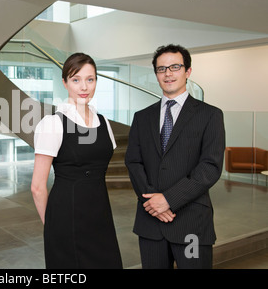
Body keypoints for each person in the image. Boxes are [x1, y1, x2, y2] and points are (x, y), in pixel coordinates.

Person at [125, 44, 225, 269]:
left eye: (175, 67)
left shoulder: (210, 115)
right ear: (156, 75)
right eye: (161, 69)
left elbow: (210, 167)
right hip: (151, 223)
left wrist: (168, 200)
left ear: (187, 71)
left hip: (191, 222)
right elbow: (133, 162)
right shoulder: (142, 117)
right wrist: (151, 203)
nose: (168, 73)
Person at [31, 52, 123, 269]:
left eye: (90, 80)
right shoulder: (52, 123)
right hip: (66, 215)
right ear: (64, 83)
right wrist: (52, 226)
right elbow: (37, 187)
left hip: (100, 213)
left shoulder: (104, 121)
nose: (84, 87)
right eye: (76, 79)